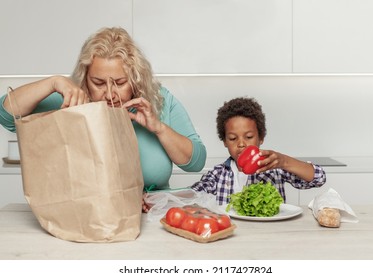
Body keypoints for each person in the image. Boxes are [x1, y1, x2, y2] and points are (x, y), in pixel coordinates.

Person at [0, 27, 207, 210]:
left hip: (153, 220)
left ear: (136, 79)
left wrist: (159, 128)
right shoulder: (72, 98)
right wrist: (53, 83)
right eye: (98, 83)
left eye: (120, 82)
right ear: (84, 79)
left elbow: (196, 162)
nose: (109, 93)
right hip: (89, 221)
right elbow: (7, 116)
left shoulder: (158, 100)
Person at [191, 97, 326, 205]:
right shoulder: (218, 174)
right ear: (225, 141)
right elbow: (193, 194)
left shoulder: (274, 168)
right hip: (231, 237)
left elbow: (318, 178)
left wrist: (284, 162)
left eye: (249, 137)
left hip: (269, 236)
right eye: (233, 138)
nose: (241, 144)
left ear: (260, 138)